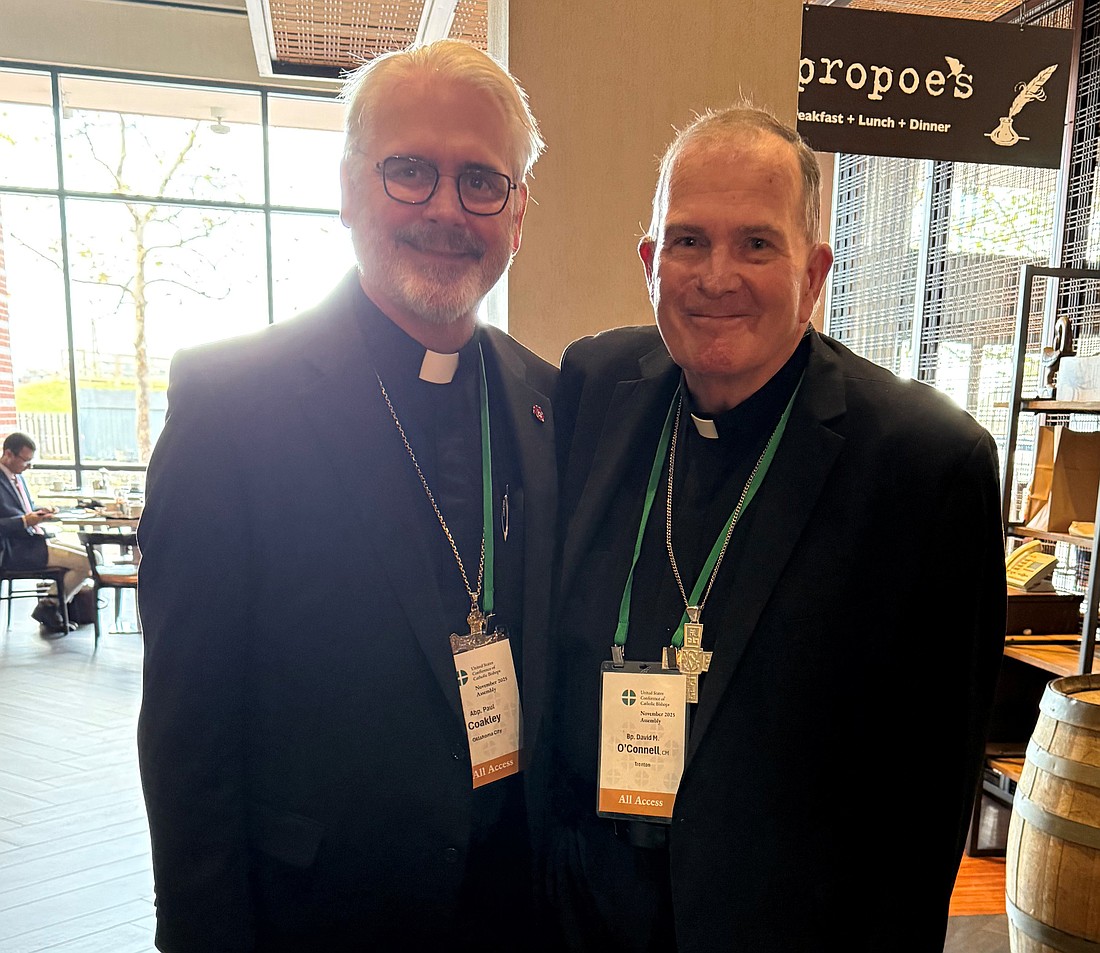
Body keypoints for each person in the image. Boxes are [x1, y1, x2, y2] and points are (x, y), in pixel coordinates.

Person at [547, 106, 1006, 952]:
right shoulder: (595, 383)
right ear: (649, 262)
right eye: (687, 241)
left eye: (757, 243)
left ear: (815, 270)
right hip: (581, 914)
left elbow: (926, 801)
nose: (716, 276)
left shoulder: (926, 465)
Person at [137, 40, 556, 953]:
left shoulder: (545, 398)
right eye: (410, 172)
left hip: (511, 914)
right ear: (348, 188)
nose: (447, 208)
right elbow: (187, 739)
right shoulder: (232, 406)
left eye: (483, 182)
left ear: (517, 215)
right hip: (316, 917)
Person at [0, 431, 92, 633]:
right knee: (87, 563)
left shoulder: (17, 477)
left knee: (94, 556)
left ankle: (50, 604)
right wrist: (25, 521)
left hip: (33, 539)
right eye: (26, 461)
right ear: (8, 454)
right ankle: (50, 606)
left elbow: (24, 509)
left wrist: (40, 512)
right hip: (16, 548)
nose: (28, 466)